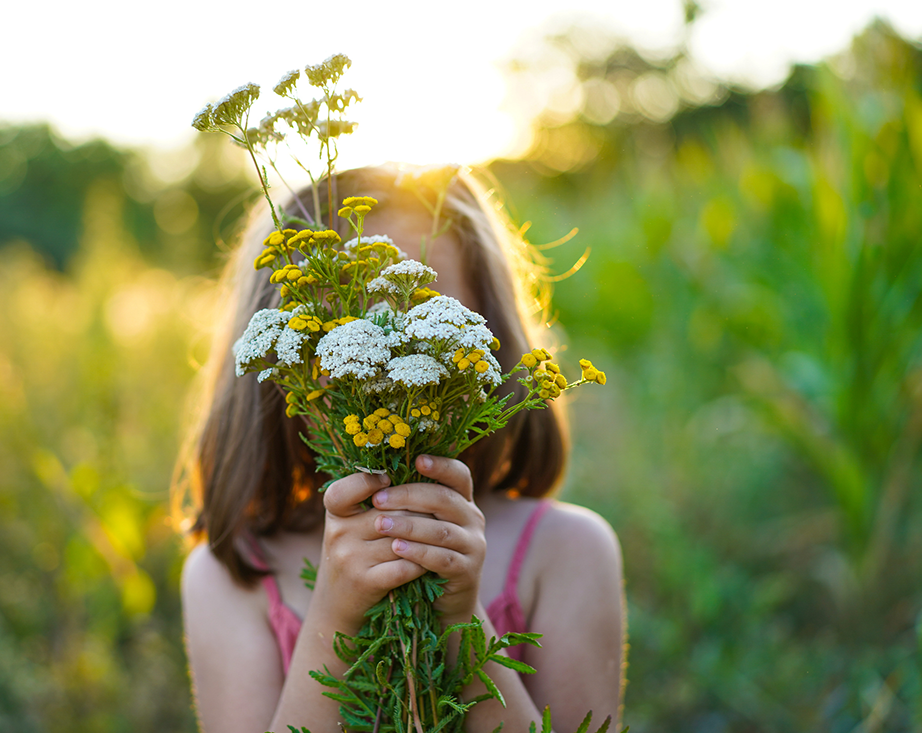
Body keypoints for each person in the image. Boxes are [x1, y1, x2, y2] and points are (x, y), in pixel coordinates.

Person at [174, 164, 626, 733]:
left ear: (486, 334)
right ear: (281, 350)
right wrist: (336, 613)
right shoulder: (229, 574)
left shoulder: (568, 551)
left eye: (418, 298)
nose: (385, 334)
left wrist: (458, 619)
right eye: (348, 308)